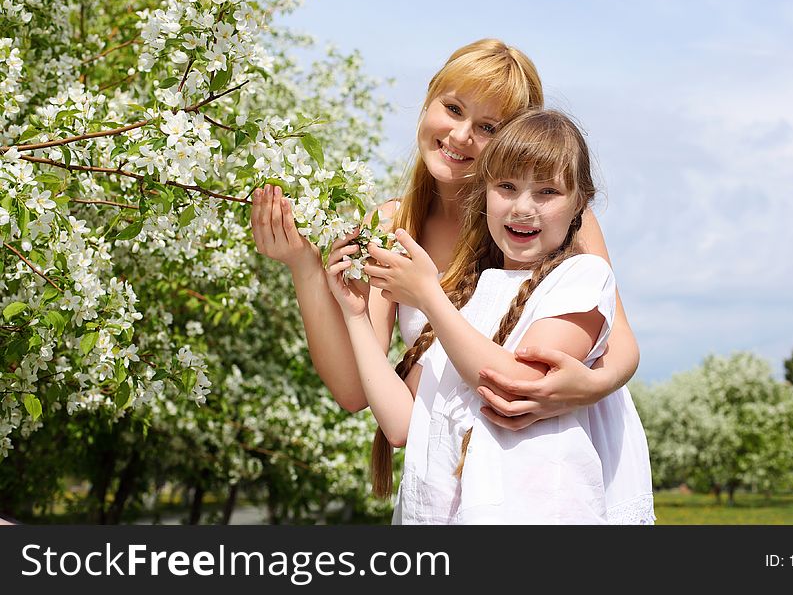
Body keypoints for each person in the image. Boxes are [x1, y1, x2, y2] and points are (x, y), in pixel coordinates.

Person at [250, 38, 640, 429]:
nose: (460, 135)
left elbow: (620, 342)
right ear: (428, 101)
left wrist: (588, 386)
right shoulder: (393, 227)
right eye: (453, 109)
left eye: (488, 127)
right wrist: (304, 267)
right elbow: (354, 389)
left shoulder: (552, 218)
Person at [326, 109, 653, 523]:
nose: (522, 208)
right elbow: (401, 425)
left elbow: (518, 383)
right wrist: (355, 315)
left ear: (580, 205)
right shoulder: (469, 297)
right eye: (506, 187)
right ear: (484, 193)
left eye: (547, 192)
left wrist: (429, 296)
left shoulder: (581, 277)